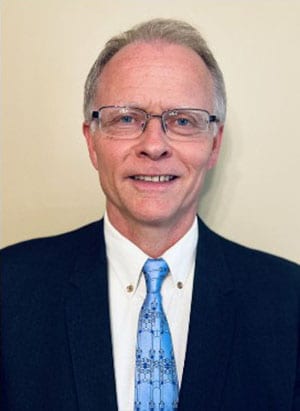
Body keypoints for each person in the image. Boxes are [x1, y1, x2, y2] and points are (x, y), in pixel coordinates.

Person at [1, 18, 299, 411]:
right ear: (92, 142)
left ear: (214, 144)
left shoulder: (288, 304)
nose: (154, 145)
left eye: (182, 120)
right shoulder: (10, 291)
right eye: (126, 118)